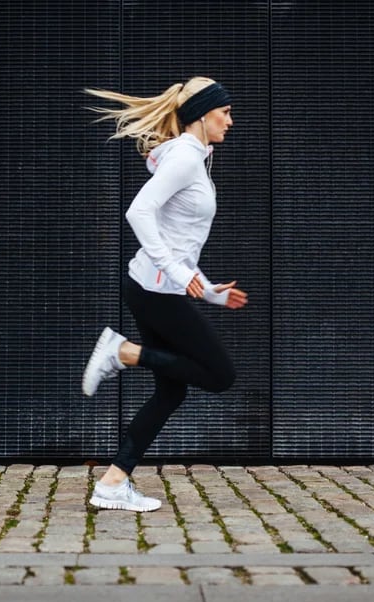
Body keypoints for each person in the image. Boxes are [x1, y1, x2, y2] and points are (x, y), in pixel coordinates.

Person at [81, 77, 248, 512]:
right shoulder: (186, 159)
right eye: (225, 112)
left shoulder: (193, 157)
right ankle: (124, 353)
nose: (231, 121)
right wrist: (175, 270)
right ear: (203, 113)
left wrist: (209, 292)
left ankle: (113, 484)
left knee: (171, 393)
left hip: (151, 287)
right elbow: (139, 211)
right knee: (220, 374)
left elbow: (179, 239)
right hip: (156, 290)